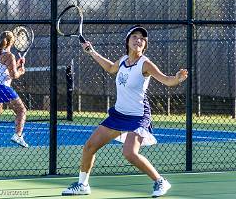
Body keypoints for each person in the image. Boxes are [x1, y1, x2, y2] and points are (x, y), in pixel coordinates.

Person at [62, 25, 188, 197]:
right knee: (89, 147)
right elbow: (109, 68)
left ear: (145, 44)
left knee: (129, 153)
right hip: (119, 114)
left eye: (142, 39)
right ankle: (83, 184)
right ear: (128, 41)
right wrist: (91, 51)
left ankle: (160, 181)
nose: (139, 40)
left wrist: (177, 79)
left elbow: (166, 80)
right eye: (135, 37)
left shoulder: (145, 64)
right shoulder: (122, 60)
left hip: (138, 117)